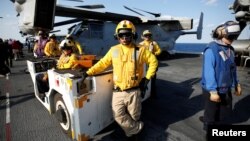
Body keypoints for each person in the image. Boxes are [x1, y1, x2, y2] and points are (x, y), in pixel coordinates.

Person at [82, 20, 158, 140]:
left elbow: (153, 62)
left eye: (127, 34)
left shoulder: (141, 50)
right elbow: (102, 63)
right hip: (118, 91)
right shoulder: (114, 50)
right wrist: (88, 72)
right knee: (117, 115)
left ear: (133, 35)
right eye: (121, 35)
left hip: (134, 91)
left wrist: (147, 79)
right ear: (117, 36)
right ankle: (138, 128)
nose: (124, 37)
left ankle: (131, 135)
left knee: (134, 116)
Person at [200, 21, 242, 132]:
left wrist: (236, 83)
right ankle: (208, 126)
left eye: (234, 37)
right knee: (211, 112)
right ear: (220, 34)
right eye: (230, 36)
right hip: (212, 89)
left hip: (225, 88)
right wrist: (213, 91)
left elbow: (232, 69)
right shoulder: (211, 49)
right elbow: (208, 72)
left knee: (224, 112)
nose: (232, 39)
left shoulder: (230, 50)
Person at [139, 30, 161, 99]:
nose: (147, 36)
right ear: (143, 36)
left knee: (153, 79)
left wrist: (154, 53)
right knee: (143, 79)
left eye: (149, 35)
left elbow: (159, 51)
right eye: (146, 35)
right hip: (143, 64)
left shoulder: (154, 43)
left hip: (152, 64)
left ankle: (152, 94)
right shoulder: (141, 44)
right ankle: (144, 93)